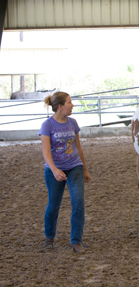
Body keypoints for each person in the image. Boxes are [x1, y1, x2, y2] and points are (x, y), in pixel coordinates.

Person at [39, 92, 91, 254]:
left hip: (74, 166)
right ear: (60, 106)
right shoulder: (47, 125)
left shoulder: (73, 123)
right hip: (54, 170)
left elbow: (78, 146)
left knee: (78, 203)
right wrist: (54, 170)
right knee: (54, 205)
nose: (72, 105)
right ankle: (49, 237)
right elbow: (46, 152)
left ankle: (76, 241)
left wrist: (84, 168)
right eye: (69, 102)